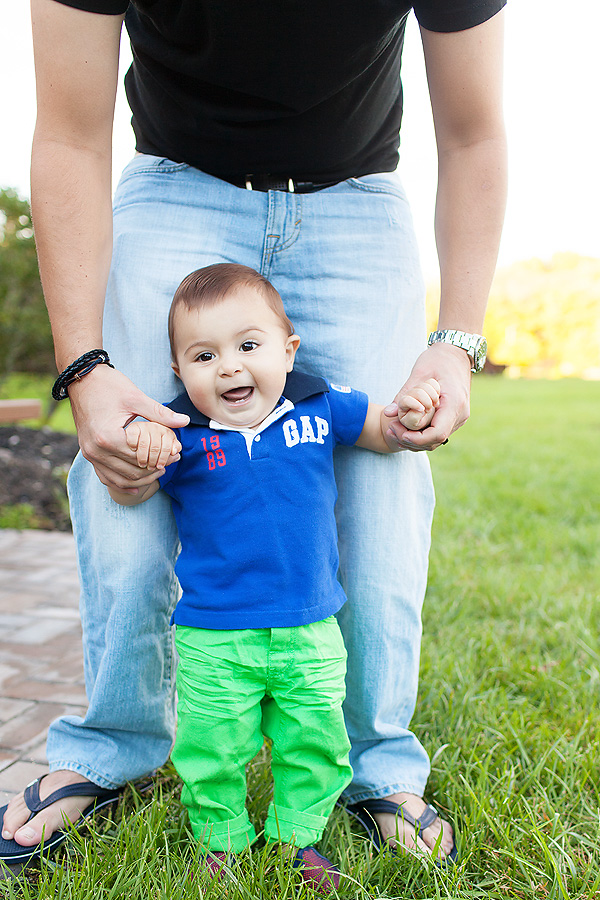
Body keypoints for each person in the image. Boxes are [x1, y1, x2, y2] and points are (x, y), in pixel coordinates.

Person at [0, 0, 507, 867]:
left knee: (386, 483)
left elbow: (473, 134)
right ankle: (114, 748)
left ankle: (378, 765)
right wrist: (84, 366)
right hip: (173, 191)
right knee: (122, 456)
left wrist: (455, 342)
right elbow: (70, 133)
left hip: (356, 206)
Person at [104, 262, 441, 889]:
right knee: (212, 748)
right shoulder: (179, 434)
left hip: (311, 629)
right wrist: (142, 457)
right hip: (213, 636)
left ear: (288, 351)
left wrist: (410, 419)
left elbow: (387, 433)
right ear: (180, 373)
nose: (229, 367)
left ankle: (297, 838)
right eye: (204, 355)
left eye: (249, 346)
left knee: (313, 742)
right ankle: (222, 839)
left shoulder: (316, 406)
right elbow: (129, 497)